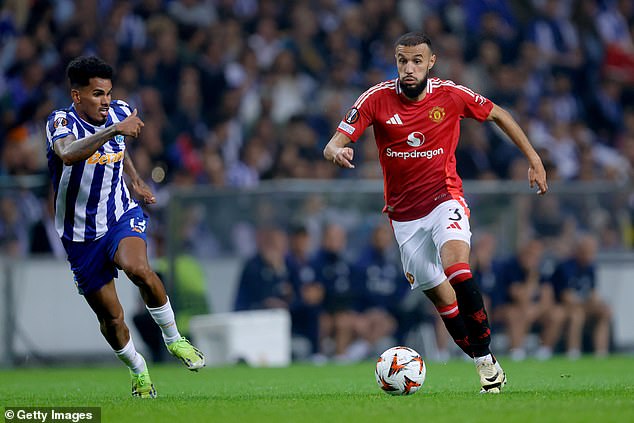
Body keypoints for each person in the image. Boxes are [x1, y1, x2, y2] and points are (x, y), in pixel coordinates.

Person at [323, 32, 549, 393]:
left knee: (458, 270)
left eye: (416, 61)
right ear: (395, 62)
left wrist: (534, 159)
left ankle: (487, 360)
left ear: (431, 62)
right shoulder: (375, 99)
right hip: (404, 219)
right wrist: (336, 151)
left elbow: (499, 114)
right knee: (444, 302)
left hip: (445, 200)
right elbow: (334, 142)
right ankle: (483, 362)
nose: (408, 68)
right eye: (402, 60)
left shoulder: (451, 94)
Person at [45, 56, 205, 399]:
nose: (105, 101)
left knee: (138, 268)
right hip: (80, 235)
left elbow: (119, 150)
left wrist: (134, 181)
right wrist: (115, 129)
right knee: (113, 319)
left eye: (108, 93)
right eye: (97, 94)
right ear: (77, 96)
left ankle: (174, 339)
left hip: (119, 214)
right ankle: (138, 370)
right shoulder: (61, 122)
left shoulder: (119, 111)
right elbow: (69, 154)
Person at [551, 234, 612, 359]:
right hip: (563, 307)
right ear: (578, 250)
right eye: (587, 250)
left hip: (583, 305)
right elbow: (565, 296)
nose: (589, 255)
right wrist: (588, 303)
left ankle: (601, 353)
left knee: (604, 312)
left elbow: (593, 292)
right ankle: (573, 352)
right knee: (577, 315)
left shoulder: (591, 268)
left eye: (592, 251)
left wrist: (598, 304)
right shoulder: (565, 267)